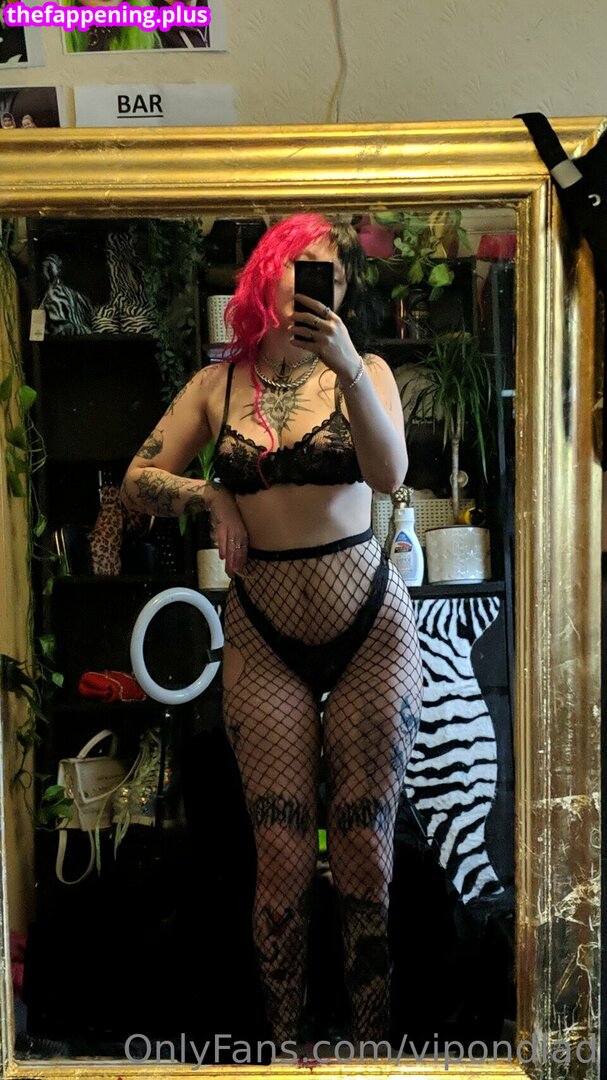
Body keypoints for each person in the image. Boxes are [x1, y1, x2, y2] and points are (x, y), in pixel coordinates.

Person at [121, 212, 423, 1047]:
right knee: (282, 862)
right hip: (263, 637)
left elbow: (390, 473)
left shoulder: (364, 370)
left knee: (364, 854)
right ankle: (285, 1053)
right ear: (265, 274)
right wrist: (209, 494)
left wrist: (345, 368)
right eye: (302, 264)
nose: (319, 282)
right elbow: (137, 480)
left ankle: (372, 1049)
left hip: (369, 633)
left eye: (333, 272)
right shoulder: (217, 386)